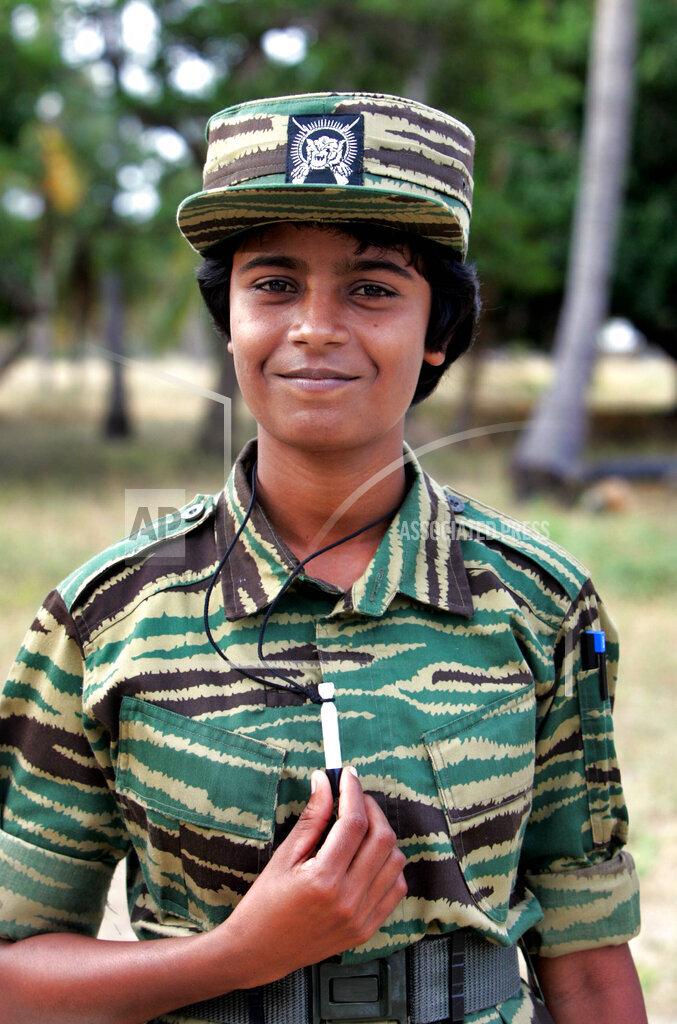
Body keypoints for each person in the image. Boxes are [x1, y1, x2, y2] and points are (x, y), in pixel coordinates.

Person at [0, 92, 646, 1024]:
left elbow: (585, 954)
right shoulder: (106, 616)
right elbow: (15, 974)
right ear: (229, 321)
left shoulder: (537, 602)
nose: (314, 325)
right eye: (272, 284)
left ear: (437, 334)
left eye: (372, 287)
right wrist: (234, 956)